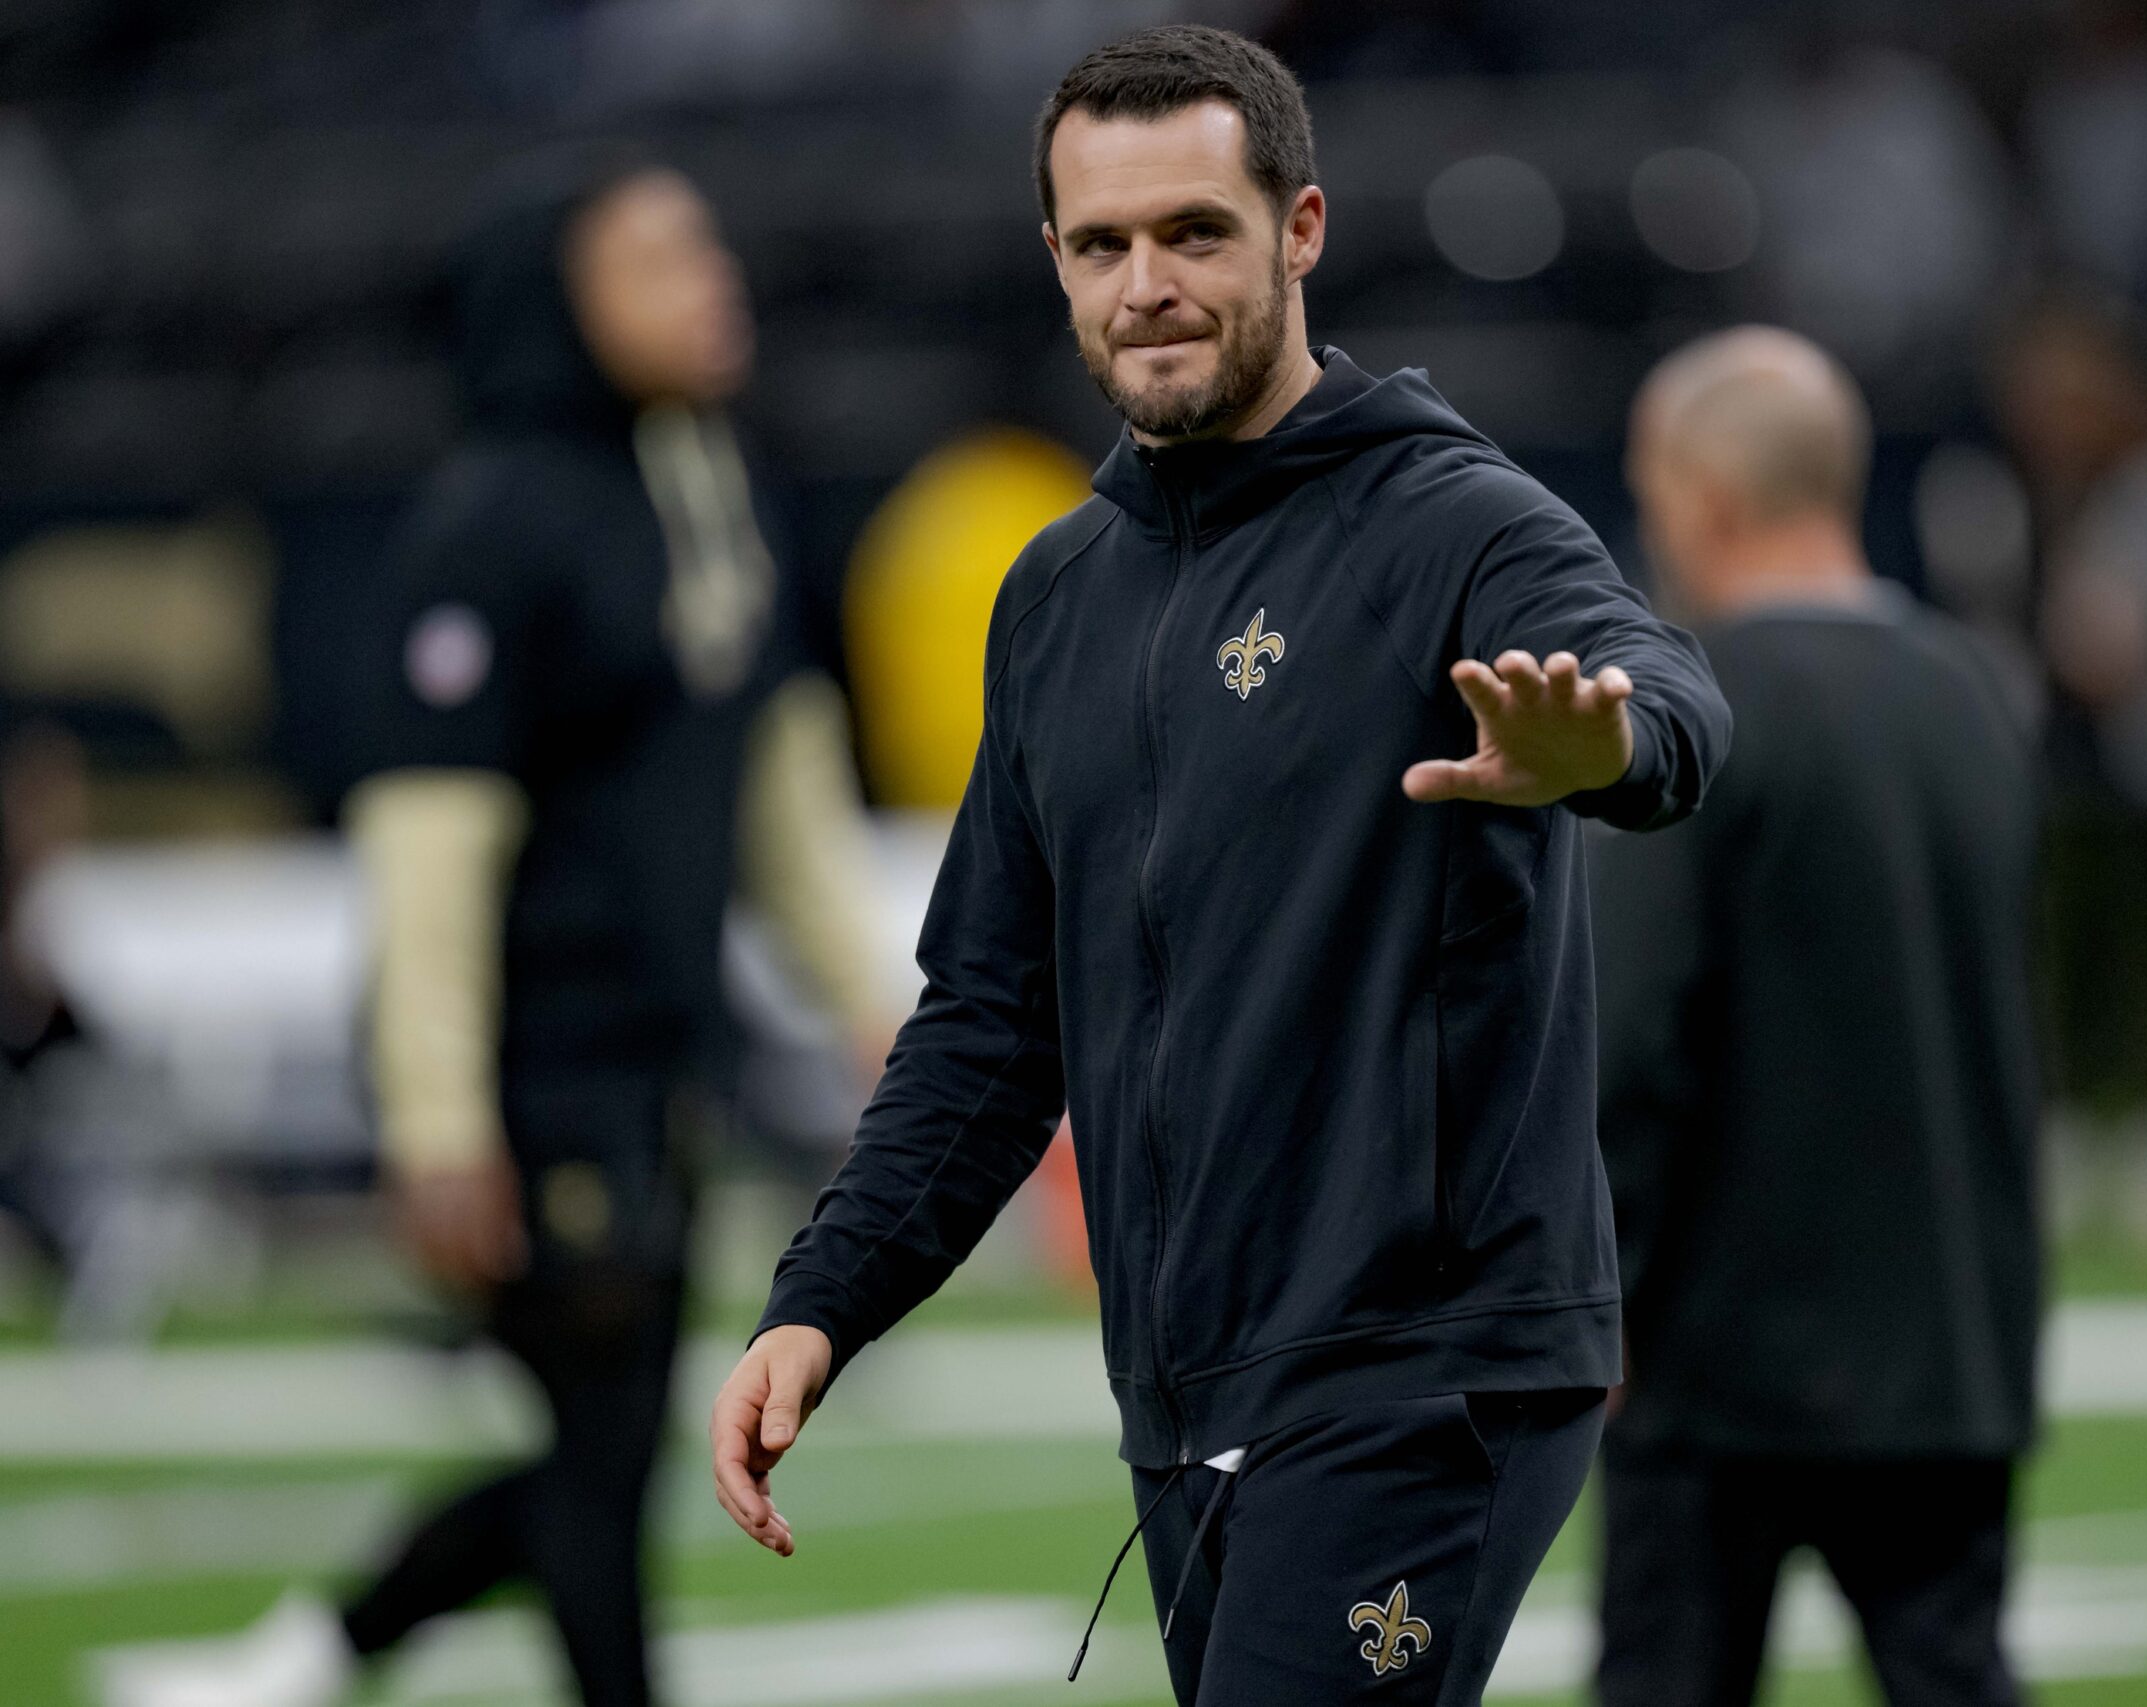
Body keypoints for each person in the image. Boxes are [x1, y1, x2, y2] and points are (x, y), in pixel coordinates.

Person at [708, 25, 1729, 1707]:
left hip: (1424, 1374)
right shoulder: (1053, 600)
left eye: (1195, 232)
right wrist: (822, 1303)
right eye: (1102, 245)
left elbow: (1668, 694)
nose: (1147, 285)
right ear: (1053, 259)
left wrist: (1601, 748)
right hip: (1187, 1403)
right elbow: (984, 1025)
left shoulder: (1453, 523)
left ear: (1301, 230)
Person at [109, 160, 877, 1707]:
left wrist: (886, 1015)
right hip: (537, 1067)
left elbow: (783, 789)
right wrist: (442, 1118)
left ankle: (325, 1651)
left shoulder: (710, 486)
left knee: (607, 1455)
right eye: (657, 259)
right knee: (601, 1467)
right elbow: (428, 854)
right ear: (561, 303)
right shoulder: (494, 521)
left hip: (658, 1057)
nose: (711, 277)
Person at [1592, 328, 2041, 1707]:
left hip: (1720, 1358)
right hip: (1949, 1339)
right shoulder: (1976, 690)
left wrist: (1591, 1292)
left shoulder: (1695, 702)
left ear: (1704, 494)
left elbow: (1629, 1037)